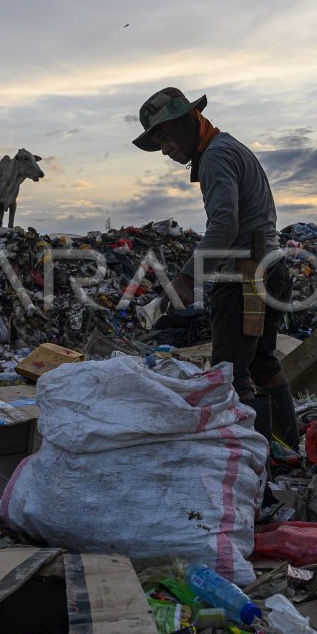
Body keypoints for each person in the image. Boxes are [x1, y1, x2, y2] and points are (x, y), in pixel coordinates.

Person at [132, 87, 299, 448]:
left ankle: (252, 468)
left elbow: (224, 224)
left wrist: (187, 277)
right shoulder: (230, 148)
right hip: (271, 268)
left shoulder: (216, 157)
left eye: (165, 137)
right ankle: (288, 452)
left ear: (187, 122)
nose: (165, 150)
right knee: (263, 364)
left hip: (245, 277)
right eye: (158, 142)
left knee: (231, 375)